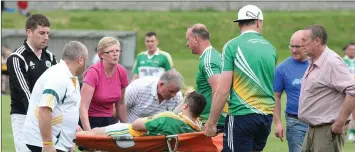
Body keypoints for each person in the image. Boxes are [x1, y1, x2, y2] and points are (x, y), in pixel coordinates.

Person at [204, 4, 277, 152]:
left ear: (239, 24)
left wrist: (211, 123)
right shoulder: (271, 48)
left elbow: (223, 90)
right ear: (258, 22)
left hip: (241, 116)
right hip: (265, 118)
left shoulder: (232, 46)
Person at [22, 41, 88, 152]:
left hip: (59, 143)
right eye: (86, 59)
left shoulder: (71, 76)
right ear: (80, 60)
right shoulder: (59, 77)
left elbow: (64, 108)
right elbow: (44, 109)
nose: (86, 64)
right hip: (46, 143)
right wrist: (47, 143)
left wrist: (72, 134)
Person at [298, 25, 355, 152]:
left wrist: (340, 123)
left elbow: (352, 90)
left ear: (317, 41)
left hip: (327, 130)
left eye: (304, 41)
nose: (302, 45)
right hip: (313, 128)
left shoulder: (332, 62)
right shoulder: (314, 61)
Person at [6, 14, 57, 152]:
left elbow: (57, 87)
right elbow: (25, 94)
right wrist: (41, 116)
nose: (46, 37)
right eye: (41, 33)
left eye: (47, 33)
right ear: (29, 32)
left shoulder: (50, 57)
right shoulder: (17, 58)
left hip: (46, 115)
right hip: (24, 116)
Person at [78, 91, 206, 140]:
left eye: (182, 102)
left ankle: (70, 136)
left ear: (185, 106)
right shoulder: (197, 129)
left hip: (131, 135)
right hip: (153, 144)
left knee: (94, 132)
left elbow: (136, 125)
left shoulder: (169, 118)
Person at [80, 37, 129, 132]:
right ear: (101, 54)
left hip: (110, 118)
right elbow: (83, 107)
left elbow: (121, 104)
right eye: (111, 51)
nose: (115, 54)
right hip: (91, 119)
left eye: (117, 51)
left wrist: (127, 128)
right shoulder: (93, 73)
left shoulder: (122, 71)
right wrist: (88, 134)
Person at [184, 23, 226, 129]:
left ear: (196, 39)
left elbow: (218, 89)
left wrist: (212, 122)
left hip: (213, 123)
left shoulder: (208, 61)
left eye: (188, 40)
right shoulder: (216, 56)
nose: (187, 44)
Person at [273, 30, 309, 152]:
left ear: (307, 46)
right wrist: (277, 123)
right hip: (295, 122)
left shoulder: (319, 64)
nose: (294, 50)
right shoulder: (282, 68)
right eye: (291, 46)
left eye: (297, 47)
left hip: (319, 122)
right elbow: (276, 96)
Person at [343, 42, 355, 142]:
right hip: (346, 91)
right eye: (351, 49)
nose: (353, 51)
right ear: (346, 50)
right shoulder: (342, 62)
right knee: (347, 112)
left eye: (354, 49)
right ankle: (348, 132)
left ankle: (352, 133)